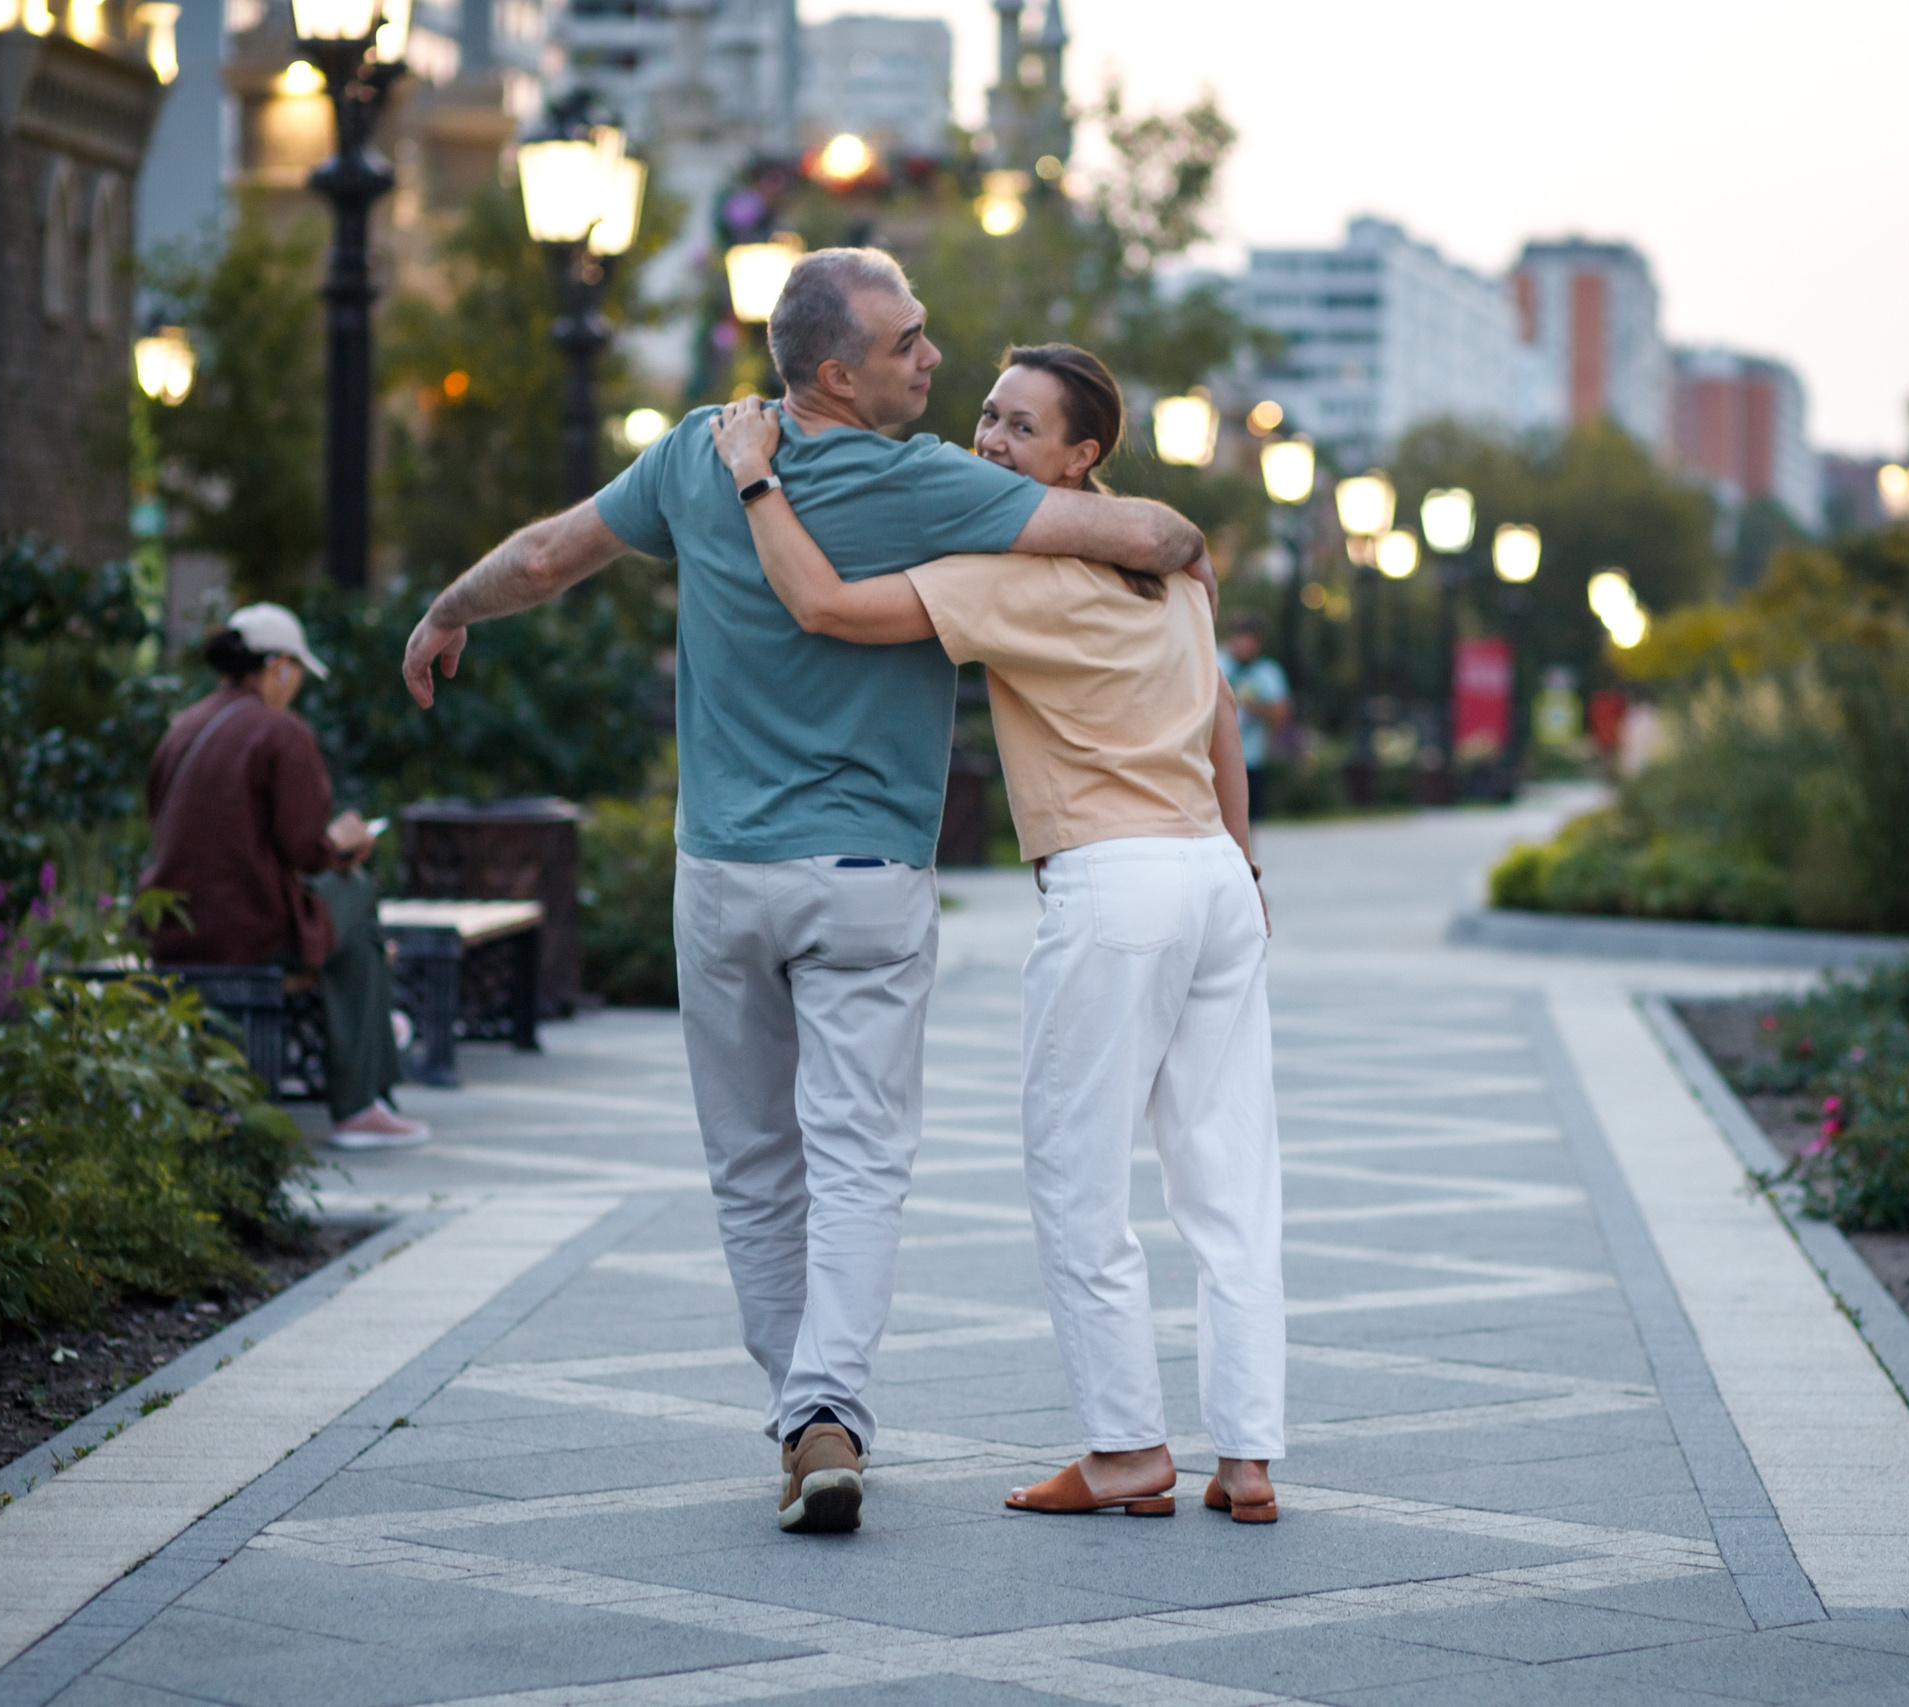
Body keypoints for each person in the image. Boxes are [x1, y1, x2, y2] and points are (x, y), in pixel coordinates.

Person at [398, 249, 1207, 1535]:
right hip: (866, 880)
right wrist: (1184, 546)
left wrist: (447, 611)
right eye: (909, 345)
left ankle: (805, 1420)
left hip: (720, 875)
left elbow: (550, 556)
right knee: (862, 1161)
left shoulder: (694, 453)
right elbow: (1145, 535)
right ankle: (823, 1406)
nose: (936, 362)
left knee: (753, 1166)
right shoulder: (932, 482)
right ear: (839, 372)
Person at [706, 340, 1286, 1525]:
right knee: (1229, 1182)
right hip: (1209, 877)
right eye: (986, 418)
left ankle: (1127, 1453)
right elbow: (1220, 707)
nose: (988, 444)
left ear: (1082, 455)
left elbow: (819, 604)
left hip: (1113, 882)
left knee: (1080, 1187)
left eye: (1022, 429)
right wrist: (1244, 860)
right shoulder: (1168, 558)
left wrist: (756, 476)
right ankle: (1248, 1458)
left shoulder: (1008, 572)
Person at [144, 603, 425, 1150]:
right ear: (278, 666)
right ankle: (360, 1099)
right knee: (358, 894)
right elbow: (305, 850)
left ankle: (376, 1046)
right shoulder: (280, 732)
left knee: (357, 937)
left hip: (171, 931)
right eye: (297, 673)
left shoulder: (182, 727)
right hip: (249, 933)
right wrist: (344, 843)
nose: (296, 687)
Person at [1217, 614, 1291, 822]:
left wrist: (1253, 705)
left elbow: (1281, 713)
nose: (1246, 646)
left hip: (1251, 758)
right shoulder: (1216, 662)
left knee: (1249, 823)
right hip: (1216, 758)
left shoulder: (1267, 672)